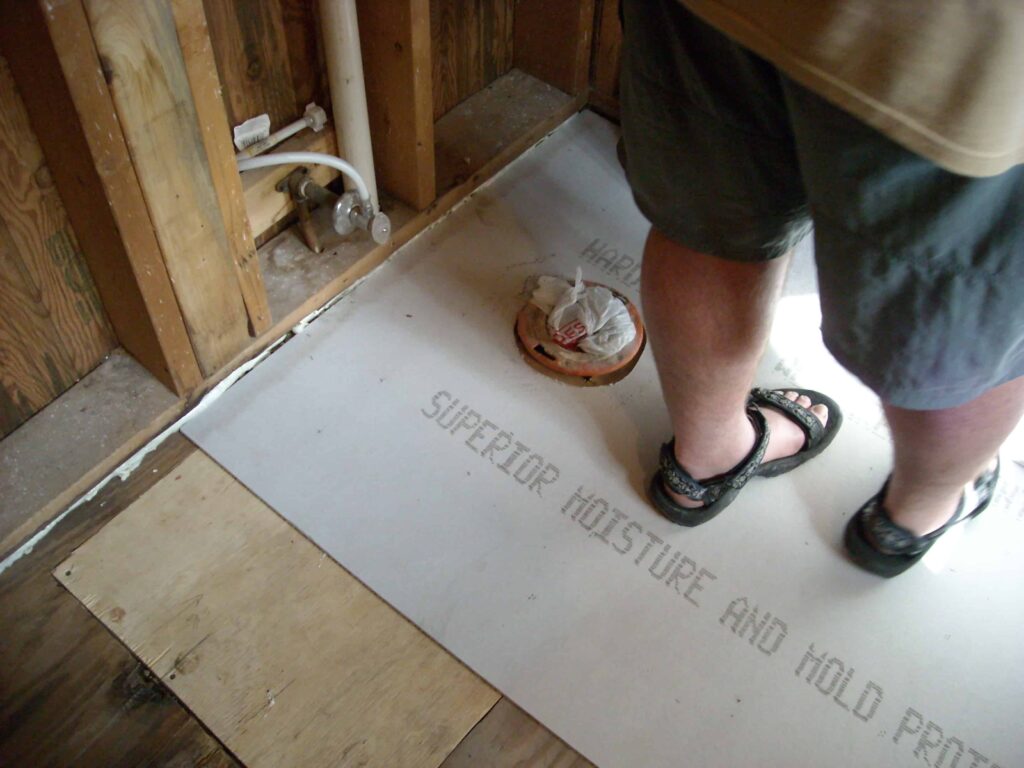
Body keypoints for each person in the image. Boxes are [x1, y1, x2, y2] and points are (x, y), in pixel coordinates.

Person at [619, 0, 1024, 576]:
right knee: (961, 304)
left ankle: (701, 466)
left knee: (709, 221)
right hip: (961, 48)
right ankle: (910, 520)